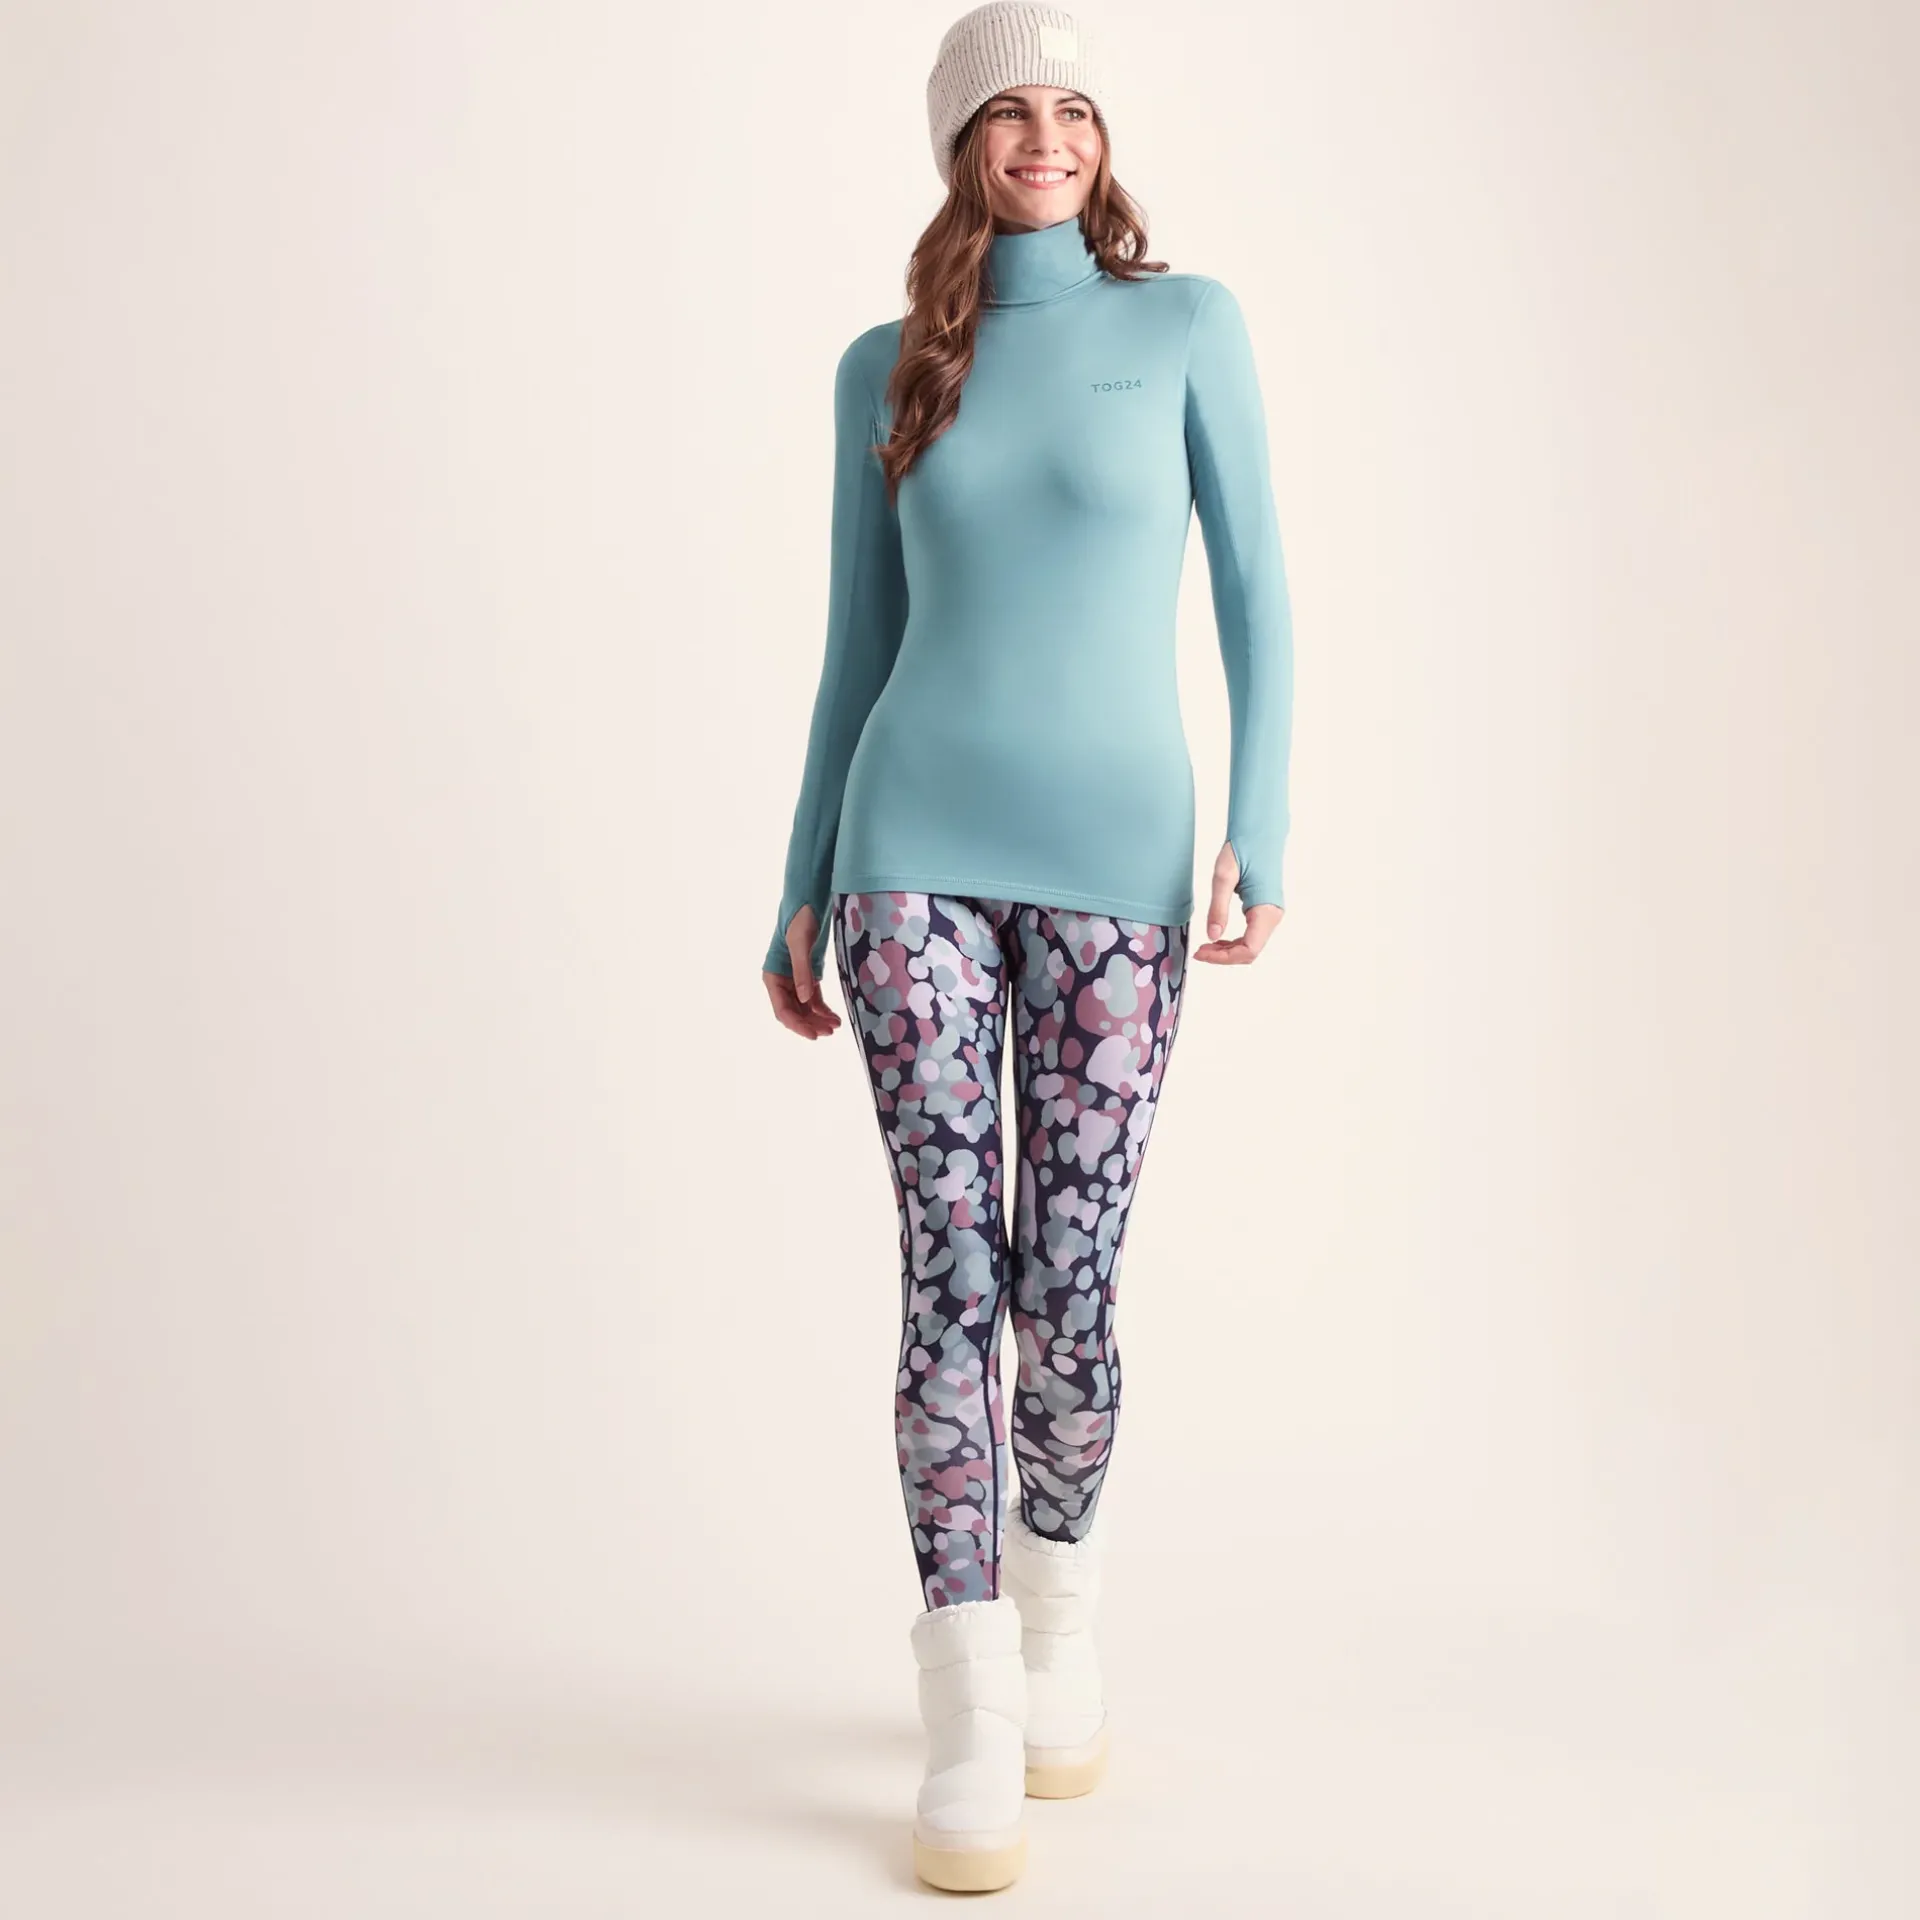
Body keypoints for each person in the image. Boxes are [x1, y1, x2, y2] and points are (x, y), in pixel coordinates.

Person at [759, 2, 1293, 1892]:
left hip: (1118, 868)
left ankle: (1059, 1616)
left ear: (1104, 138)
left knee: (1070, 1275)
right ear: (959, 145)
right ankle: (968, 1702)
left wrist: (1264, 823)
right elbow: (856, 642)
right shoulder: (889, 363)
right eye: (1010, 111)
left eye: (1074, 108)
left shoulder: (1188, 327)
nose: (1046, 137)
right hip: (908, 848)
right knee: (951, 1269)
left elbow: (1259, 592)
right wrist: (801, 875)